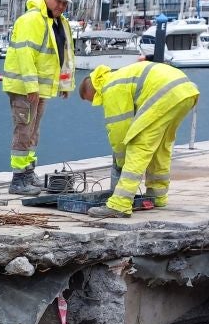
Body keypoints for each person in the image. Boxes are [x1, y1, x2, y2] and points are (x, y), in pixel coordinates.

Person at [79, 60, 200, 218]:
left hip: (165, 93)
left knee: (139, 145)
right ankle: (157, 195)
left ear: (93, 91)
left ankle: (120, 204)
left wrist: (121, 162)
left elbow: (120, 130)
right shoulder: (118, 77)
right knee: (159, 146)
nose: (98, 103)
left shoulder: (110, 88)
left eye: (93, 100)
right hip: (185, 91)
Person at [0, 0, 76, 194]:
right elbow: (26, 55)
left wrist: (64, 84)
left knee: (33, 130)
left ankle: (28, 172)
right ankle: (18, 179)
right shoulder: (31, 19)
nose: (61, 6)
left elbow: (63, 55)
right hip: (25, 87)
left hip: (40, 88)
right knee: (24, 128)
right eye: (58, 1)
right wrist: (31, 86)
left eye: (65, 3)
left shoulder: (60, 23)